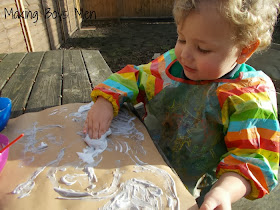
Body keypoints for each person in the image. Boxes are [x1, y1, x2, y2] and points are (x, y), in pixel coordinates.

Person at [84, 0, 280, 209]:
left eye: (202, 49)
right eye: (182, 39)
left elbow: (253, 157)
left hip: (191, 194)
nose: (185, 55)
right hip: (135, 167)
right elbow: (135, 76)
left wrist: (224, 191)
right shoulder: (170, 66)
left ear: (244, 50)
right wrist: (106, 100)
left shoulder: (249, 96)